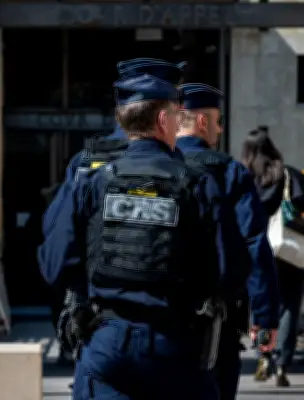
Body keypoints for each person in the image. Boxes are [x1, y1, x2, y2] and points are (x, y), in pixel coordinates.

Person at [40, 74, 250, 400]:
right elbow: (232, 270)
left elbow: (54, 265)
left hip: (106, 341)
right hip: (177, 345)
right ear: (164, 120)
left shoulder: (92, 182)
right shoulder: (198, 184)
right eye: (176, 115)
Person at [45, 58, 187, 366]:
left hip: (102, 333)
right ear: (164, 115)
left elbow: (55, 260)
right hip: (173, 337)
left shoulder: (86, 166)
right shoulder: (186, 174)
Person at [175, 83, 280, 398]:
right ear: (202, 122)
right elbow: (254, 244)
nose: (220, 130)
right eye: (218, 122)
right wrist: (265, 318)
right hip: (214, 325)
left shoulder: (148, 168)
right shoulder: (228, 172)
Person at [241, 128, 304, 387]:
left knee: (261, 304)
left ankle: (264, 356)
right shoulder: (287, 174)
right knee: (290, 305)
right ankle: (282, 364)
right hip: (289, 249)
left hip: (258, 249)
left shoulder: (245, 177)